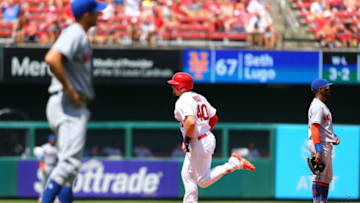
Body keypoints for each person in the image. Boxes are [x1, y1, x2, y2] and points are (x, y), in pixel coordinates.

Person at [42, 0, 107, 202]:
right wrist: (70, 90)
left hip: (66, 104)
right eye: (96, 12)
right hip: (68, 104)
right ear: (86, 15)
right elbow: (52, 58)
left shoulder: (79, 34)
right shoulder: (76, 32)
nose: (100, 15)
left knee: (69, 172)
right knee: (69, 164)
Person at [167, 72, 255, 203]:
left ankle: (234, 164)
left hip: (197, 141)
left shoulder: (182, 101)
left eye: (175, 85)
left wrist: (187, 140)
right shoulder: (199, 97)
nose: (172, 87)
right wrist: (204, 132)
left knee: (202, 181)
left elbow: (190, 122)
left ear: (181, 87)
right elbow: (213, 117)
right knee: (186, 175)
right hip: (205, 138)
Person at [307, 78, 340, 203]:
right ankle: (318, 201)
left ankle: (322, 201)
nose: (328, 89)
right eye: (326, 87)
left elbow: (322, 128)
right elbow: (315, 128)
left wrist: (333, 137)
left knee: (326, 177)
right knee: (319, 176)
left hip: (324, 142)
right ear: (320, 89)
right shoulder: (317, 106)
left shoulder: (321, 105)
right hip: (319, 144)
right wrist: (318, 150)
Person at [35, 135, 58, 203]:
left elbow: (58, 159)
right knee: (44, 184)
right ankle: (41, 198)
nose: (52, 141)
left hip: (54, 166)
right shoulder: (45, 147)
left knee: (55, 183)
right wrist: (42, 167)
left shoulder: (56, 148)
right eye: (51, 140)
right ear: (49, 140)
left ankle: (56, 199)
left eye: (53, 140)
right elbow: (41, 158)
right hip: (46, 166)